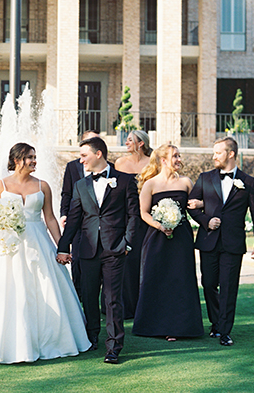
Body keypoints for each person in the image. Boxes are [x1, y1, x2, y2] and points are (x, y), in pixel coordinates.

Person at [0, 143, 90, 364]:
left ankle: (49, 338)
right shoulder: (0, 186)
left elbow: (49, 218)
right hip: (8, 244)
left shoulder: (43, 186)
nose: (34, 161)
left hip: (38, 242)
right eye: (29, 157)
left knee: (44, 287)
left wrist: (61, 247)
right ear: (17, 159)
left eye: (34, 157)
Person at [57, 136, 139, 364]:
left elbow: (134, 215)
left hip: (115, 249)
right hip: (87, 249)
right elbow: (73, 220)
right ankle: (92, 337)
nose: (80, 160)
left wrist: (127, 243)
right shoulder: (80, 185)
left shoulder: (124, 181)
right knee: (89, 297)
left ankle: (114, 346)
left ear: (98, 154)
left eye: (84, 155)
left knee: (113, 299)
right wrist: (63, 248)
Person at [188, 137, 254, 347]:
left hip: (232, 243)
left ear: (230, 154)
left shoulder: (248, 182)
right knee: (209, 284)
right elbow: (191, 206)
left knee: (229, 288)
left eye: (218, 153)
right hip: (208, 241)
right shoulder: (204, 178)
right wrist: (206, 221)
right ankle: (216, 322)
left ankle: (224, 331)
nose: (214, 157)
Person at [132, 144, 203, 340]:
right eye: (175, 156)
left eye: (180, 156)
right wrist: (159, 225)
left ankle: (180, 327)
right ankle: (155, 326)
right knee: (157, 279)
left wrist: (201, 204)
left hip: (181, 239)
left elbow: (196, 206)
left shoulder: (187, 183)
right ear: (163, 160)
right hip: (157, 238)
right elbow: (143, 213)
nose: (179, 159)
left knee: (181, 279)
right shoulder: (150, 184)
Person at [114, 130, 152, 320]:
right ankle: (127, 305)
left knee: (144, 259)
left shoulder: (152, 163)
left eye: (130, 140)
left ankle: (146, 305)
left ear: (141, 143)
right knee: (127, 260)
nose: (126, 142)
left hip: (146, 216)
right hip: (124, 215)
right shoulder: (120, 163)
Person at [60, 129, 100, 297]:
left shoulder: (109, 168)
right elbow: (67, 192)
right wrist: (64, 214)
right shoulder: (72, 166)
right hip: (77, 217)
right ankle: (78, 294)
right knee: (76, 257)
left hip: (96, 220)